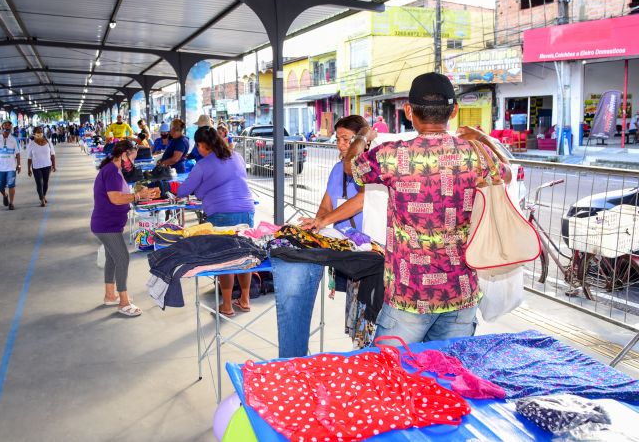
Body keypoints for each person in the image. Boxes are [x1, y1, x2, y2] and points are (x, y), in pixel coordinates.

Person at [319, 72, 511, 345]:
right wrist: (482, 138)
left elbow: (352, 166)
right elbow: (506, 175)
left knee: (393, 378)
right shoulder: (474, 152)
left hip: (410, 296)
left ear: (408, 111)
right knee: (446, 381)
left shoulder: (392, 155)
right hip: (460, 293)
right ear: (454, 111)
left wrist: (362, 136)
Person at [271, 115, 367, 357]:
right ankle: (292, 360)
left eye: (347, 139)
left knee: (367, 327)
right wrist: (316, 224)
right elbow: (325, 206)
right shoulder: (337, 169)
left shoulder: (370, 169)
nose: (341, 145)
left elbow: (361, 200)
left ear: (361, 141)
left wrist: (325, 220)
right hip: (335, 241)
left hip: (366, 251)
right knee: (293, 273)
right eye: (338, 139)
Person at [176, 126, 256, 316]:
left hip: (222, 214)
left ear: (202, 145)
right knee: (245, 256)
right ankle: (245, 300)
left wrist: (201, 190)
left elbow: (182, 191)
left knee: (224, 260)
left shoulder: (203, 165)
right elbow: (231, 179)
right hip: (247, 211)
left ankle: (227, 305)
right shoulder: (236, 157)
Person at [91, 140, 159, 317]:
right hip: (107, 225)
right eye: (132, 158)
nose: (132, 163)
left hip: (108, 223)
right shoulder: (112, 172)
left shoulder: (114, 170)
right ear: (123, 155)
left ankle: (109, 294)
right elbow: (115, 199)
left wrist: (143, 195)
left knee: (112, 259)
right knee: (122, 259)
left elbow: (121, 195)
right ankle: (123, 301)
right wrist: (137, 196)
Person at [0, 120, 21, 210]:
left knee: (11, 185)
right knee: (0, 185)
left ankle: (11, 203)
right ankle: (5, 195)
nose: (7, 127)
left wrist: (19, 165)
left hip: (11, 167)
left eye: (9, 125)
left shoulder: (14, 139)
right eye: (5, 125)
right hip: (0, 167)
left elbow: (18, 153)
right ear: (2, 127)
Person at [26, 126, 56, 207]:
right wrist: (28, 169)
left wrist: (54, 165)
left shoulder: (49, 142)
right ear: (34, 133)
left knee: (45, 182)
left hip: (47, 165)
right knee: (39, 183)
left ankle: (43, 195)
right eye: (38, 132)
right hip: (36, 167)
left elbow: (52, 154)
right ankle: (42, 199)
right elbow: (29, 158)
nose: (39, 133)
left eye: (41, 132)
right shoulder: (31, 144)